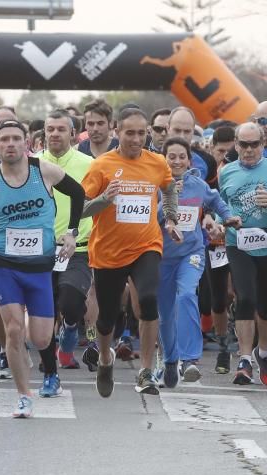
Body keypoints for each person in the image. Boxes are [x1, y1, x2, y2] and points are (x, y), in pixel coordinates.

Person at [0, 119, 84, 417]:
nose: (10, 144)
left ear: (27, 143)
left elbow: (78, 193)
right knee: (13, 330)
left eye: (15, 139)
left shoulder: (44, 171)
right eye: (4, 139)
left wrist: (72, 232)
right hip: (5, 266)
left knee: (41, 338)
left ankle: (49, 367)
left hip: (40, 268)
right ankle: (23, 395)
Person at [81, 107, 181, 396]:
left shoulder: (158, 162)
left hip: (146, 245)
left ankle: (146, 371)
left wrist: (171, 217)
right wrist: (104, 199)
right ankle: (103, 359)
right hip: (108, 251)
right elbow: (82, 208)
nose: (136, 139)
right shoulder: (102, 165)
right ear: (117, 132)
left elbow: (169, 188)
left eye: (141, 133)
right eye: (130, 133)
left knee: (149, 300)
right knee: (107, 318)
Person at [219, 122, 267, 388]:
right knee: (245, 297)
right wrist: (223, 220)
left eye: (254, 144)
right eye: (244, 144)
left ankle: (264, 352)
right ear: (236, 145)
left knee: (265, 304)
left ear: (263, 145)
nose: (249, 150)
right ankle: (243, 359)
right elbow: (221, 206)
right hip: (238, 243)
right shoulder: (227, 172)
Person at [157, 137, 237, 386]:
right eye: (172, 157)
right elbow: (151, 216)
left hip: (190, 253)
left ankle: (190, 359)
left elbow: (215, 200)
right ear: (164, 160)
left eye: (182, 157)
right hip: (161, 258)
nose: (177, 161)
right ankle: (170, 360)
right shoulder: (156, 186)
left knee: (187, 295)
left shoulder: (197, 185)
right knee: (166, 314)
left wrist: (228, 217)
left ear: (189, 160)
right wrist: (167, 199)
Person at [39, 110, 96, 370]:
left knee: (71, 303)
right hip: (40, 248)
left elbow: (101, 202)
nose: (55, 134)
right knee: (44, 308)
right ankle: (49, 359)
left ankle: (71, 328)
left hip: (78, 248)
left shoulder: (89, 163)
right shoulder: (32, 162)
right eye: (50, 129)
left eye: (61, 129)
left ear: (73, 134)